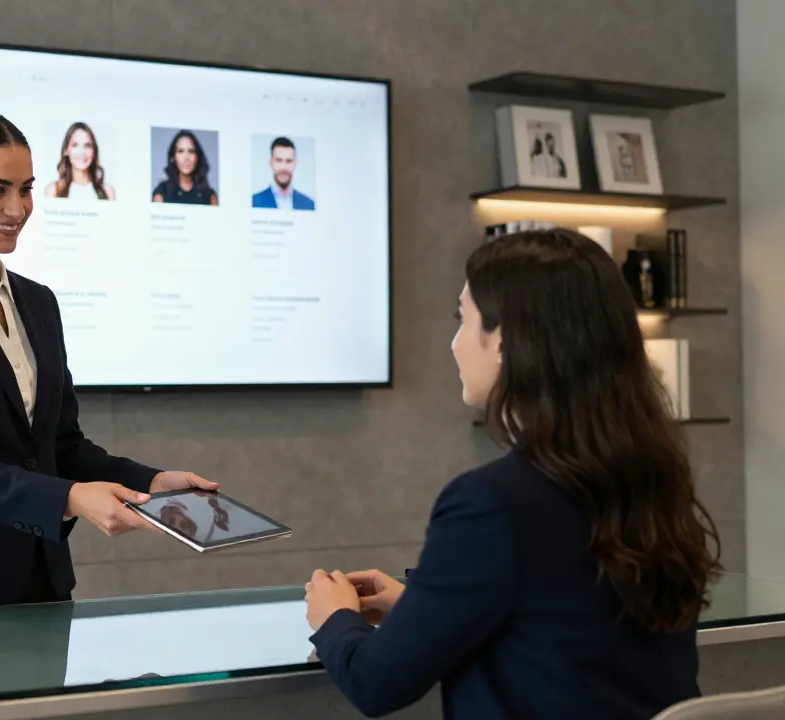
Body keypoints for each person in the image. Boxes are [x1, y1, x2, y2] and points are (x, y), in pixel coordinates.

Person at [304, 229, 721, 719]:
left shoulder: (490, 504)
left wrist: (334, 620)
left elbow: (375, 683)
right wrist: (423, 608)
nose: (455, 344)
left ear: (502, 340)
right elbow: (567, 628)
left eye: (463, 320)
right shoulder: (652, 479)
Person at [0, 109, 217, 611]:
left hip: (41, 585)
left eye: (26, 188)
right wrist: (71, 499)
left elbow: (59, 445)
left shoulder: (38, 302)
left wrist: (154, 483)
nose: (17, 208)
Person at [44, 122, 115, 200]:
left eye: (87, 145)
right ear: (66, 150)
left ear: (94, 151)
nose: (81, 152)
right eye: (75, 145)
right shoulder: (53, 190)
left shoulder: (107, 191)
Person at [152, 129, 218, 205]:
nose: (186, 158)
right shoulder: (161, 193)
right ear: (173, 158)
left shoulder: (210, 197)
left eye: (191, 151)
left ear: (197, 157)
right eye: (180, 151)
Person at [251, 137, 314, 210]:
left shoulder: (309, 204)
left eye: (289, 161)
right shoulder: (254, 202)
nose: (283, 167)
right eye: (279, 160)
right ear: (271, 163)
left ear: (295, 164)